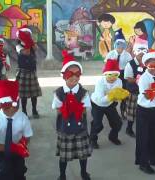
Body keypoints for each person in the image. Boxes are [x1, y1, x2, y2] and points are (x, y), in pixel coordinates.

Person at [52, 51, 92, 180]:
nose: (74, 77)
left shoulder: (83, 92)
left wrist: (77, 107)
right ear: (64, 75)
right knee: (64, 155)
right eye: (70, 74)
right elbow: (57, 109)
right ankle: (62, 174)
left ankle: (83, 172)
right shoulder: (58, 93)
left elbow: (85, 109)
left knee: (83, 154)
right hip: (64, 128)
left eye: (78, 74)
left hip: (80, 128)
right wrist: (66, 108)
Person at [0, 80, 33, 180]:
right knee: (7, 171)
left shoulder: (23, 117)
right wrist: (14, 148)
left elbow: (27, 135)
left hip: (17, 146)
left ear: (17, 102)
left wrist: (22, 144)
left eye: (11, 107)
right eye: (4, 108)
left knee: (20, 171)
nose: (8, 110)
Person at [90, 60, 129, 149]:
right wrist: (112, 95)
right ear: (105, 74)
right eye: (110, 75)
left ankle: (113, 137)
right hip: (97, 104)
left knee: (117, 123)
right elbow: (101, 99)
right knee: (97, 124)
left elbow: (117, 95)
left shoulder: (119, 81)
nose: (112, 78)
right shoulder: (100, 82)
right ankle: (92, 140)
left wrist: (122, 95)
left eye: (115, 75)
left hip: (110, 104)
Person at [15, 25, 42, 118]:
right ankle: (24, 111)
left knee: (34, 94)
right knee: (24, 95)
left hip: (32, 72)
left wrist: (30, 41)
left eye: (28, 34)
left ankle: (34, 110)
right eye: (25, 34)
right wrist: (27, 41)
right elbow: (26, 52)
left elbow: (35, 48)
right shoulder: (18, 46)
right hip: (23, 72)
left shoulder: (31, 43)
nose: (27, 35)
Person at [105, 28, 132, 119]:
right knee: (113, 92)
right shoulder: (110, 54)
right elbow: (106, 65)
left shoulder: (127, 55)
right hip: (113, 75)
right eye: (118, 46)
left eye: (122, 46)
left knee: (124, 93)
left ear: (124, 46)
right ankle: (112, 111)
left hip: (124, 74)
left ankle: (123, 111)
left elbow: (130, 66)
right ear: (115, 46)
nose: (120, 48)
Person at [123, 38, 148, 137]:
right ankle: (129, 129)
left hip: (144, 91)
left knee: (143, 111)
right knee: (131, 111)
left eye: (144, 51)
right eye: (139, 50)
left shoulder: (147, 63)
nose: (141, 53)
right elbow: (128, 78)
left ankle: (142, 128)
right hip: (133, 91)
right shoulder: (130, 64)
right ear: (134, 52)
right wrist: (138, 79)